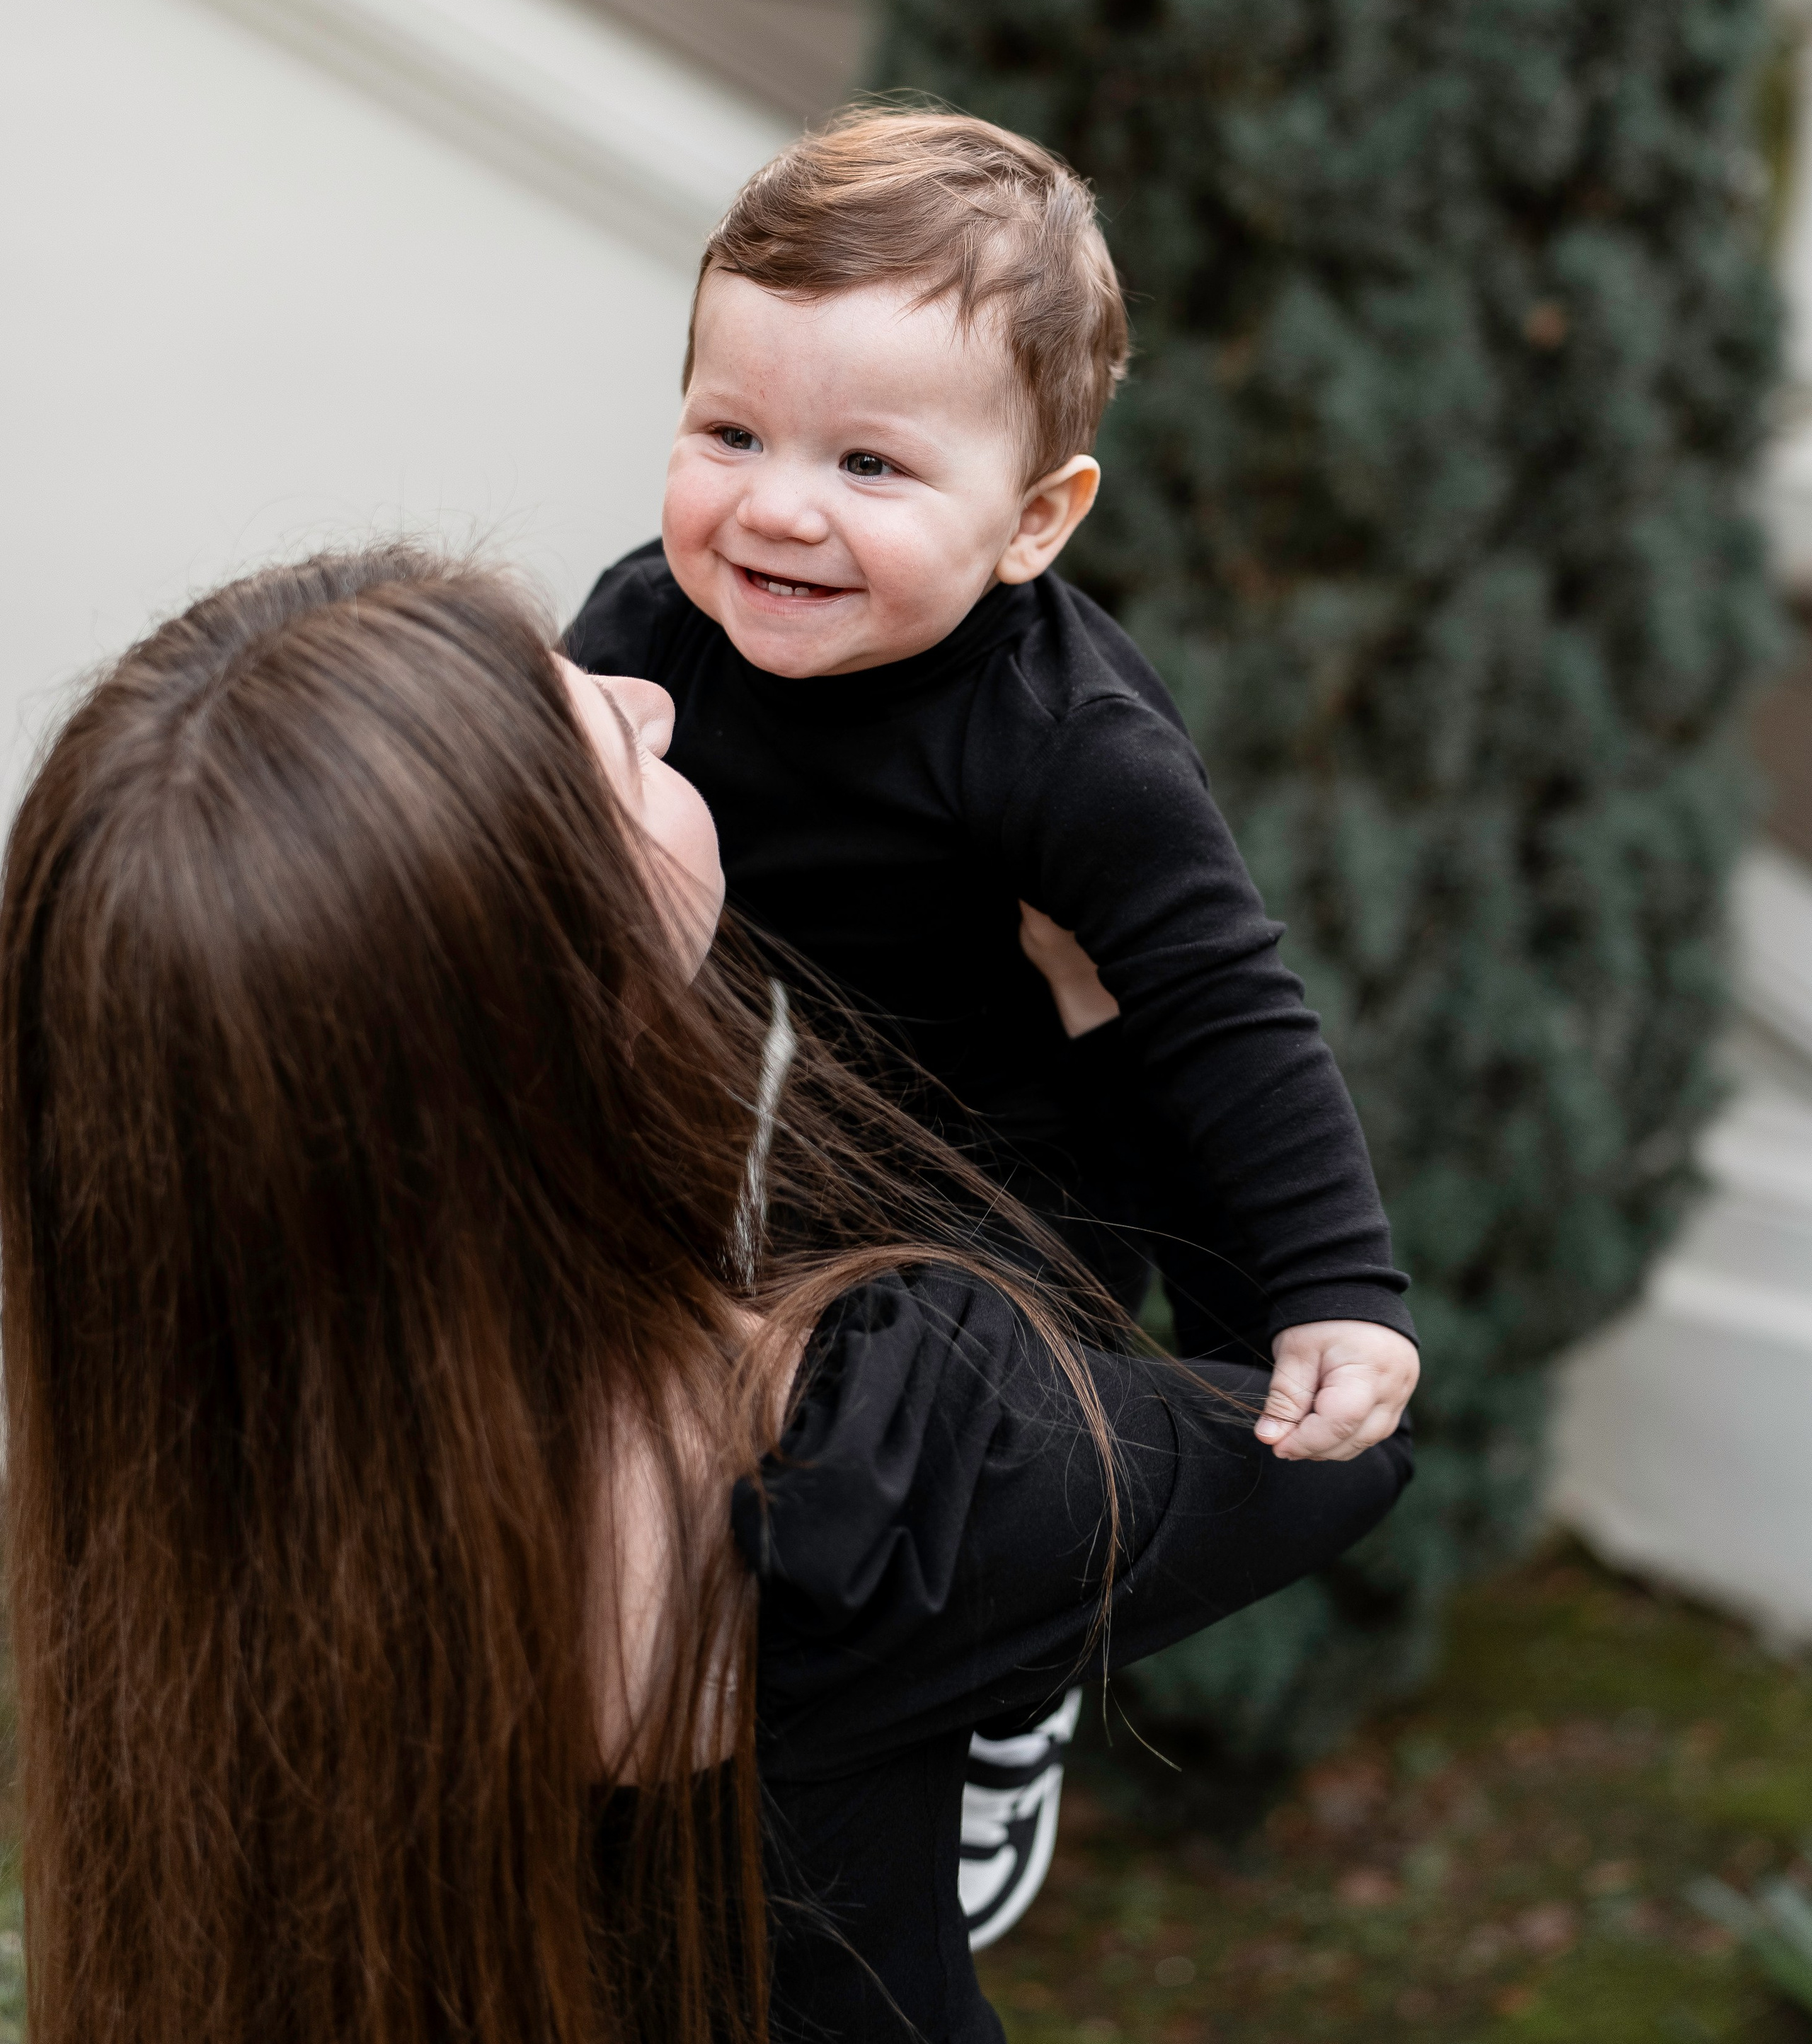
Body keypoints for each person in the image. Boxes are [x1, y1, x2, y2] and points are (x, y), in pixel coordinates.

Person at [0, 545, 1412, 2044]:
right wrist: (1112, 1013)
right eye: (609, 741)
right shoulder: (882, 1458)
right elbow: (1325, 1432)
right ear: (584, 978)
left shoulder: (154, 1467)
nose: (652, 698)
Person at [563, 107, 1420, 1937]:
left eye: (871, 463)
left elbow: (1222, 1004)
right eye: (731, 433)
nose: (778, 504)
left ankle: (997, 1704)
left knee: (971, 1463)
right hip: (751, 1118)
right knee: (750, 1461)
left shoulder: (1070, 743)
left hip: (1001, 1163)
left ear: (1037, 518)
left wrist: (1340, 1282)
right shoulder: (650, 624)